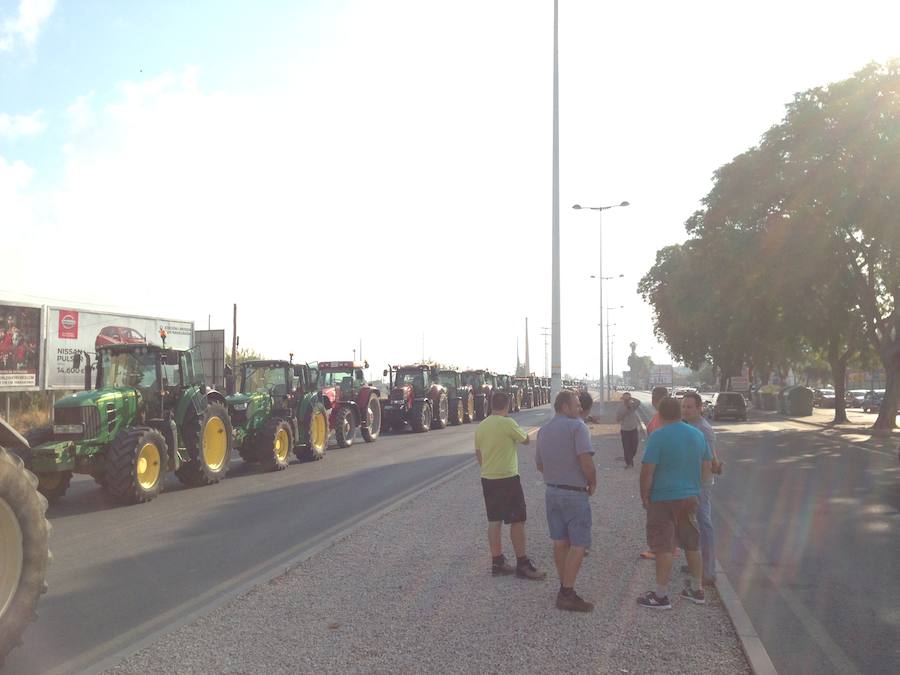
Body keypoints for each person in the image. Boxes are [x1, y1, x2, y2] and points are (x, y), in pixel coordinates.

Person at [637, 397, 712, 609]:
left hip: (663, 498)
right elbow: (707, 465)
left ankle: (661, 595)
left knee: (664, 546)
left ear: (660, 414)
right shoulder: (697, 434)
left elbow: (648, 470)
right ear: (679, 413)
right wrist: (697, 488)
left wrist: (644, 495)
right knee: (691, 542)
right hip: (690, 496)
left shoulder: (658, 436)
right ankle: (697, 590)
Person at [536, 390, 597, 612]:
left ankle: (564, 586)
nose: (580, 408)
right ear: (564, 407)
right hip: (574, 494)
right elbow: (586, 461)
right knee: (579, 544)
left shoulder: (543, 431)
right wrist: (593, 482)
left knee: (560, 542)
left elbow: (540, 465)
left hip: (551, 493)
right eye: (577, 404)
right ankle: (567, 593)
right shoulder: (577, 427)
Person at [474, 391, 545, 580]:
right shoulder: (508, 423)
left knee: (494, 520)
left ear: (490, 405)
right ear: (507, 405)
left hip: (488, 478)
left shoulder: (481, 426)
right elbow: (527, 440)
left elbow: (479, 453)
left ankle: (497, 562)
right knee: (517, 519)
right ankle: (522, 563)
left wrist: (488, 468)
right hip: (508, 478)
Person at [681, 392, 723, 586]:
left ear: (700, 408)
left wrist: (697, 486)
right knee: (692, 526)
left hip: (700, 484)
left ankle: (709, 571)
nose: (686, 410)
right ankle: (695, 563)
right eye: (684, 406)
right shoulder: (687, 425)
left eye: (690, 407)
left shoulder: (704, 429)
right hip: (688, 482)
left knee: (704, 525)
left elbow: (710, 458)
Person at [639, 384, 675, 560]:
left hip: (659, 476)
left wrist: (645, 491)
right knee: (671, 518)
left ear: (654, 400)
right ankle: (669, 546)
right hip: (672, 477)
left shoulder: (657, 421)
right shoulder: (676, 421)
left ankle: (657, 549)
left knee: (657, 518)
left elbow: (652, 459)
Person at [616, 392, 641, 468]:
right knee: (626, 448)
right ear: (623, 399)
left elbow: (638, 402)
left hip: (633, 429)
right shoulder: (620, 407)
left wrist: (631, 399)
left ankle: (630, 459)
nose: (627, 400)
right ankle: (629, 463)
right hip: (625, 430)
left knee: (634, 447)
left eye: (628, 398)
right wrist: (626, 410)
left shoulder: (633, 405)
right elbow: (618, 419)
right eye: (625, 398)